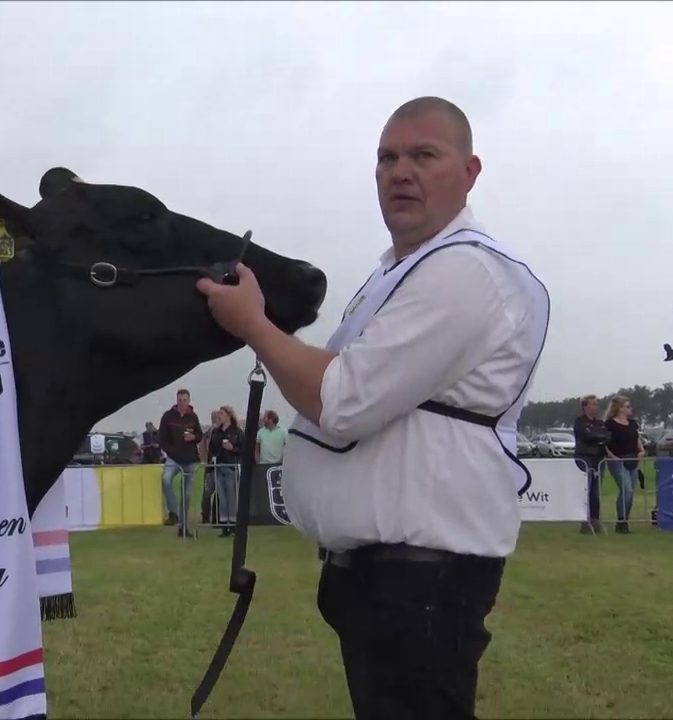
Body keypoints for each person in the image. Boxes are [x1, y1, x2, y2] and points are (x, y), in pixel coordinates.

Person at [196, 96, 550, 720]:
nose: (399, 171)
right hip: (387, 579)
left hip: (422, 581)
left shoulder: (469, 270)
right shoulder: (399, 271)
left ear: (469, 173)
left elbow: (342, 398)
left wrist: (254, 325)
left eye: (423, 155)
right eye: (387, 158)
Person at [159, 389, 203, 536]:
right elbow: (161, 437)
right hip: (173, 457)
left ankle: (183, 528)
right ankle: (173, 512)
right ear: (176, 400)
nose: (182, 403)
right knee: (165, 479)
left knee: (188, 494)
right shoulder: (168, 416)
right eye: (179, 400)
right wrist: (170, 450)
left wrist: (193, 437)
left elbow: (200, 435)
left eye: (184, 400)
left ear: (189, 401)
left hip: (190, 459)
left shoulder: (193, 417)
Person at [603, 395, 645, 534]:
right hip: (617, 460)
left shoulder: (632, 423)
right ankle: (621, 520)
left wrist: (641, 450)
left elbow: (636, 438)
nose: (630, 408)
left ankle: (624, 521)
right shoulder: (610, 424)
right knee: (627, 489)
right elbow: (605, 443)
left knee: (630, 492)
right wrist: (612, 456)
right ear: (620, 409)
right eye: (627, 406)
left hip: (632, 460)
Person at [572, 394, 611, 535]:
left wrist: (598, 437)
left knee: (595, 491)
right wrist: (598, 437)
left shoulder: (600, 423)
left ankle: (595, 518)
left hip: (598, 459)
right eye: (593, 404)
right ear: (585, 406)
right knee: (586, 489)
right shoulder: (579, 422)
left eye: (597, 404)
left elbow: (607, 436)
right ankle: (584, 520)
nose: (596, 406)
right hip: (585, 458)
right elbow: (587, 436)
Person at [208, 405, 245, 537]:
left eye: (222, 413)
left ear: (229, 415)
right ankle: (224, 525)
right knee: (222, 497)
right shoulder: (216, 432)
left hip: (231, 467)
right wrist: (210, 464)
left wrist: (232, 449)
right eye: (219, 414)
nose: (219, 416)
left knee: (232, 496)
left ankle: (233, 524)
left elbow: (244, 449)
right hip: (218, 467)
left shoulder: (237, 432)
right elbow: (211, 448)